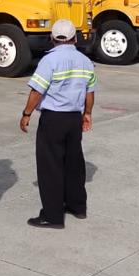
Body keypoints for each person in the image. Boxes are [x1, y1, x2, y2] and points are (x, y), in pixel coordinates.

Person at [19, 19, 96, 228]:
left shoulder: (49, 61)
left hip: (53, 118)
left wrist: (27, 114)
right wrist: (87, 113)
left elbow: (37, 91)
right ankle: (77, 206)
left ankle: (52, 216)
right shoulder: (85, 61)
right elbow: (90, 92)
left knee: (50, 166)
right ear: (75, 38)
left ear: (52, 39)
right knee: (74, 163)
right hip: (73, 118)